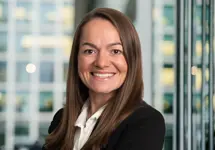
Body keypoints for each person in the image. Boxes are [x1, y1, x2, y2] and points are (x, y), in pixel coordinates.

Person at [43, 7, 165, 150]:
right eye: (90, 51)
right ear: (77, 58)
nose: (101, 63)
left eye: (115, 51)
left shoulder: (145, 122)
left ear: (132, 59)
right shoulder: (61, 120)